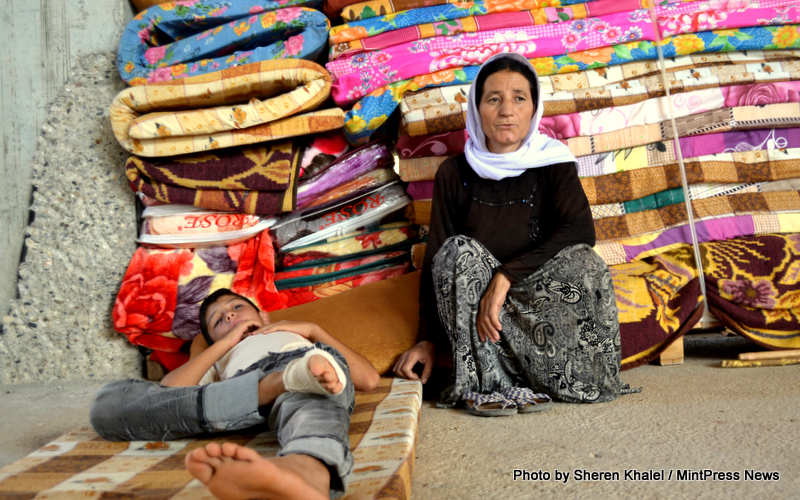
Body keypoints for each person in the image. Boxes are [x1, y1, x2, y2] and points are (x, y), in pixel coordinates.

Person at [393, 52, 637, 415]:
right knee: (457, 253)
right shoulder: (454, 172)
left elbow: (580, 229)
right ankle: (490, 383)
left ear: (534, 108)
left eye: (519, 98)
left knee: (585, 264)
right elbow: (437, 260)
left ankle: (539, 379)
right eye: (494, 99)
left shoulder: (552, 161)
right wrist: (427, 340)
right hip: (481, 317)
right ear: (477, 109)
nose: (506, 110)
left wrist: (506, 277)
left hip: (538, 306)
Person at [90, 288, 380, 500]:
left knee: (314, 391)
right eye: (218, 321)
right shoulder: (218, 358)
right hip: (239, 393)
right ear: (211, 339)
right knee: (108, 407)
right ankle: (276, 385)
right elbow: (170, 394)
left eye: (237, 307)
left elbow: (368, 379)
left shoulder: (294, 333)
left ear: (263, 316)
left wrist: (313, 330)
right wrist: (224, 344)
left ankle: (304, 472)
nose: (228, 314)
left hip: (303, 365)